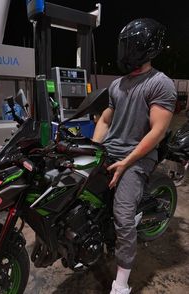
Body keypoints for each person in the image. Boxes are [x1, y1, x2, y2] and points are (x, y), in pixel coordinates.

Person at [92, 18, 177, 294]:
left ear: (146, 49)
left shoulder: (160, 83)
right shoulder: (117, 85)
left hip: (139, 157)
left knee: (123, 214)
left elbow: (158, 131)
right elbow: (105, 120)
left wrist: (127, 162)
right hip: (112, 151)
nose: (125, 51)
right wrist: (94, 149)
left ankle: (121, 283)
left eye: (130, 46)